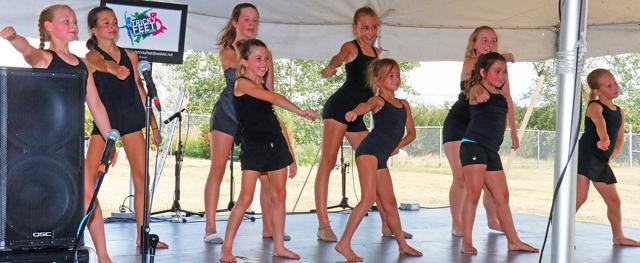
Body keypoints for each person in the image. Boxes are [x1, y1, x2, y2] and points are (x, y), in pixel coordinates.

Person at [1, 4, 114, 262]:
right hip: (42, 143)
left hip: (70, 144)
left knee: (88, 196)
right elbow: (27, 51)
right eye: (66, 21)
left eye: (74, 21)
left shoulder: (84, 65)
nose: (73, 25)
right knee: (48, 195)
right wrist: (13, 38)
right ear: (49, 27)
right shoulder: (45, 58)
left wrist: (111, 139)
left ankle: (104, 255)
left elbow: (95, 104)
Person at [315, 6, 411, 242]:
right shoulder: (352, 47)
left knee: (376, 161)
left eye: (374, 27)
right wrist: (332, 66)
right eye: (365, 27)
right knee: (327, 163)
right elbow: (339, 57)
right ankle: (323, 224)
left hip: (356, 115)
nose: (370, 32)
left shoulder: (376, 54)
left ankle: (389, 224)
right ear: (355, 28)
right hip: (340, 109)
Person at [219, 38, 317, 263]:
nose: (264, 63)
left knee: (279, 194)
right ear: (244, 61)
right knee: (245, 197)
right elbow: (273, 97)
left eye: (267, 59)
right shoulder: (241, 83)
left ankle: (279, 246)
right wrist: (301, 112)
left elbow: (273, 116)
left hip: (275, 142)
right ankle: (226, 248)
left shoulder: (261, 84)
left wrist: (290, 154)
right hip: (254, 145)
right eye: (259, 59)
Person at [203, 2, 291, 244]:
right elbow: (241, 68)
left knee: (266, 175)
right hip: (228, 113)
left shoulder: (264, 54)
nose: (251, 24)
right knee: (218, 168)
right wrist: (258, 58)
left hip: (253, 118)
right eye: (246, 19)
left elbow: (269, 91)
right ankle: (210, 227)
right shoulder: (228, 51)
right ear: (235, 22)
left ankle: (270, 227)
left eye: (255, 20)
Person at [83, 6, 168, 254]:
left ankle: (143, 235)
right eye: (105, 22)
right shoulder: (90, 56)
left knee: (143, 178)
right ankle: (80, 235)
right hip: (104, 124)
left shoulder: (130, 55)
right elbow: (99, 63)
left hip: (131, 120)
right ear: (94, 29)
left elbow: (140, 90)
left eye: (114, 22)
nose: (112, 26)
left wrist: (152, 123)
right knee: (91, 183)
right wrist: (113, 69)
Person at [335, 58, 422, 262]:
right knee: (368, 199)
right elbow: (366, 105)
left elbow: (411, 134)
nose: (396, 79)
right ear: (378, 80)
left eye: (397, 75)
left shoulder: (404, 105)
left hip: (381, 156)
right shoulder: (378, 101)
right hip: (369, 151)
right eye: (390, 76)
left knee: (390, 203)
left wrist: (397, 146)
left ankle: (402, 245)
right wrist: (354, 112)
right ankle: (344, 243)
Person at [459, 52, 538, 255]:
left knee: (502, 196)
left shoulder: (502, 95)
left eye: (504, 72)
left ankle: (513, 241)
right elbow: (474, 91)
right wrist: (479, 93)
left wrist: (513, 132)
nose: (501, 75)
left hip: (490, 150)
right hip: (473, 146)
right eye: (497, 71)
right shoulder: (477, 87)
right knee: (474, 194)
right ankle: (466, 241)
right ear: (484, 72)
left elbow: (506, 114)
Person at [442, 25, 518, 236]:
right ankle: (458, 224)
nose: (489, 44)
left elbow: (508, 99)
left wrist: (513, 129)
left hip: (484, 128)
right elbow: (476, 72)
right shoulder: (470, 63)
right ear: (473, 44)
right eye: (484, 40)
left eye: (493, 41)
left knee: (490, 178)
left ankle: (493, 220)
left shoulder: (500, 71)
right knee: (462, 177)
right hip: (459, 124)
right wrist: (500, 56)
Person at [575, 69, 640, 246]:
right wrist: (603, 138)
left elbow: (619, 138)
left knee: (602, 199)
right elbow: (600, 123)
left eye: (615, 83)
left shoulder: (619, 111)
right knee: (582, 196)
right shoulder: (594, 106)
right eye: (608, 85)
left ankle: (618, 236)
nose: (615, 87)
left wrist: (610, 155)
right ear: (597, 92)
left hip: (600, 159)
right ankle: (560, 228)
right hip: (588, 155)